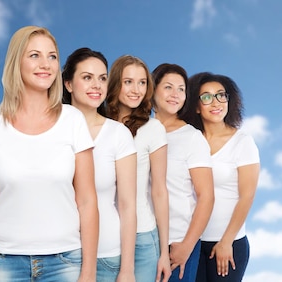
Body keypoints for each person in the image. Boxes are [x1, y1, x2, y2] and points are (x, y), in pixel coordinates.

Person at [0, 26, 99, 282]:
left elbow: (87, 201)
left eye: (52, 56)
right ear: (17, 62)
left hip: (65, 262)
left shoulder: (73, 120)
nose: (45, 64)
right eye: (34, 55)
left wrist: (89, 272)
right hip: (1, 262)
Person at [62, 48, 137, 282]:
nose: (97, 85)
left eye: (102, 78)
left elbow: (127, 205)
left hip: (107, 258)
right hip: (56, 258)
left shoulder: (118, 134)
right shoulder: (51, 130)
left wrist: (127, 269)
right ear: (68, 84)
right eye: (87, 77)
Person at [181, 72, 260, 282]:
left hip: (228, 244)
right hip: (192, 244)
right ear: (196, 106)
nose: (215, 102)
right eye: (206, 97)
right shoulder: (189, 140)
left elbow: (247, 196)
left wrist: (226, 241)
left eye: (220, 95)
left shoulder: (243, 142)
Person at [101, 55, 171, 282]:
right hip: (102, 237)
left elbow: (159, 190)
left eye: (142, 83)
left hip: (142, 237)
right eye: (128, 81)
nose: (136, 89)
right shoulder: (98, 124)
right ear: (115, 84)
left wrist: (163, 253)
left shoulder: (153, 128)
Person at [151, 63, 215, 282]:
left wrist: (187, 246)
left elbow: (206, 196)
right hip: (143, 241)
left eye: (181, 89)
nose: (175, 94)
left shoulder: (192, 138)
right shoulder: (138, 132)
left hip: (177, 242)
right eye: (168, 87)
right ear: (153, 89)